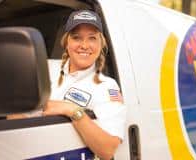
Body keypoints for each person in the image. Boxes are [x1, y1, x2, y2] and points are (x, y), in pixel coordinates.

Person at [8, 10, 127, 160]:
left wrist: (73, 111)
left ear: (101, 44)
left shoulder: (106, 86)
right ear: (66, 42)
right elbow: (15, 109)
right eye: (77, 37)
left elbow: (107, 149)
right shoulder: (43, 68)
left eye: (92, 38)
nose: (84, 45)